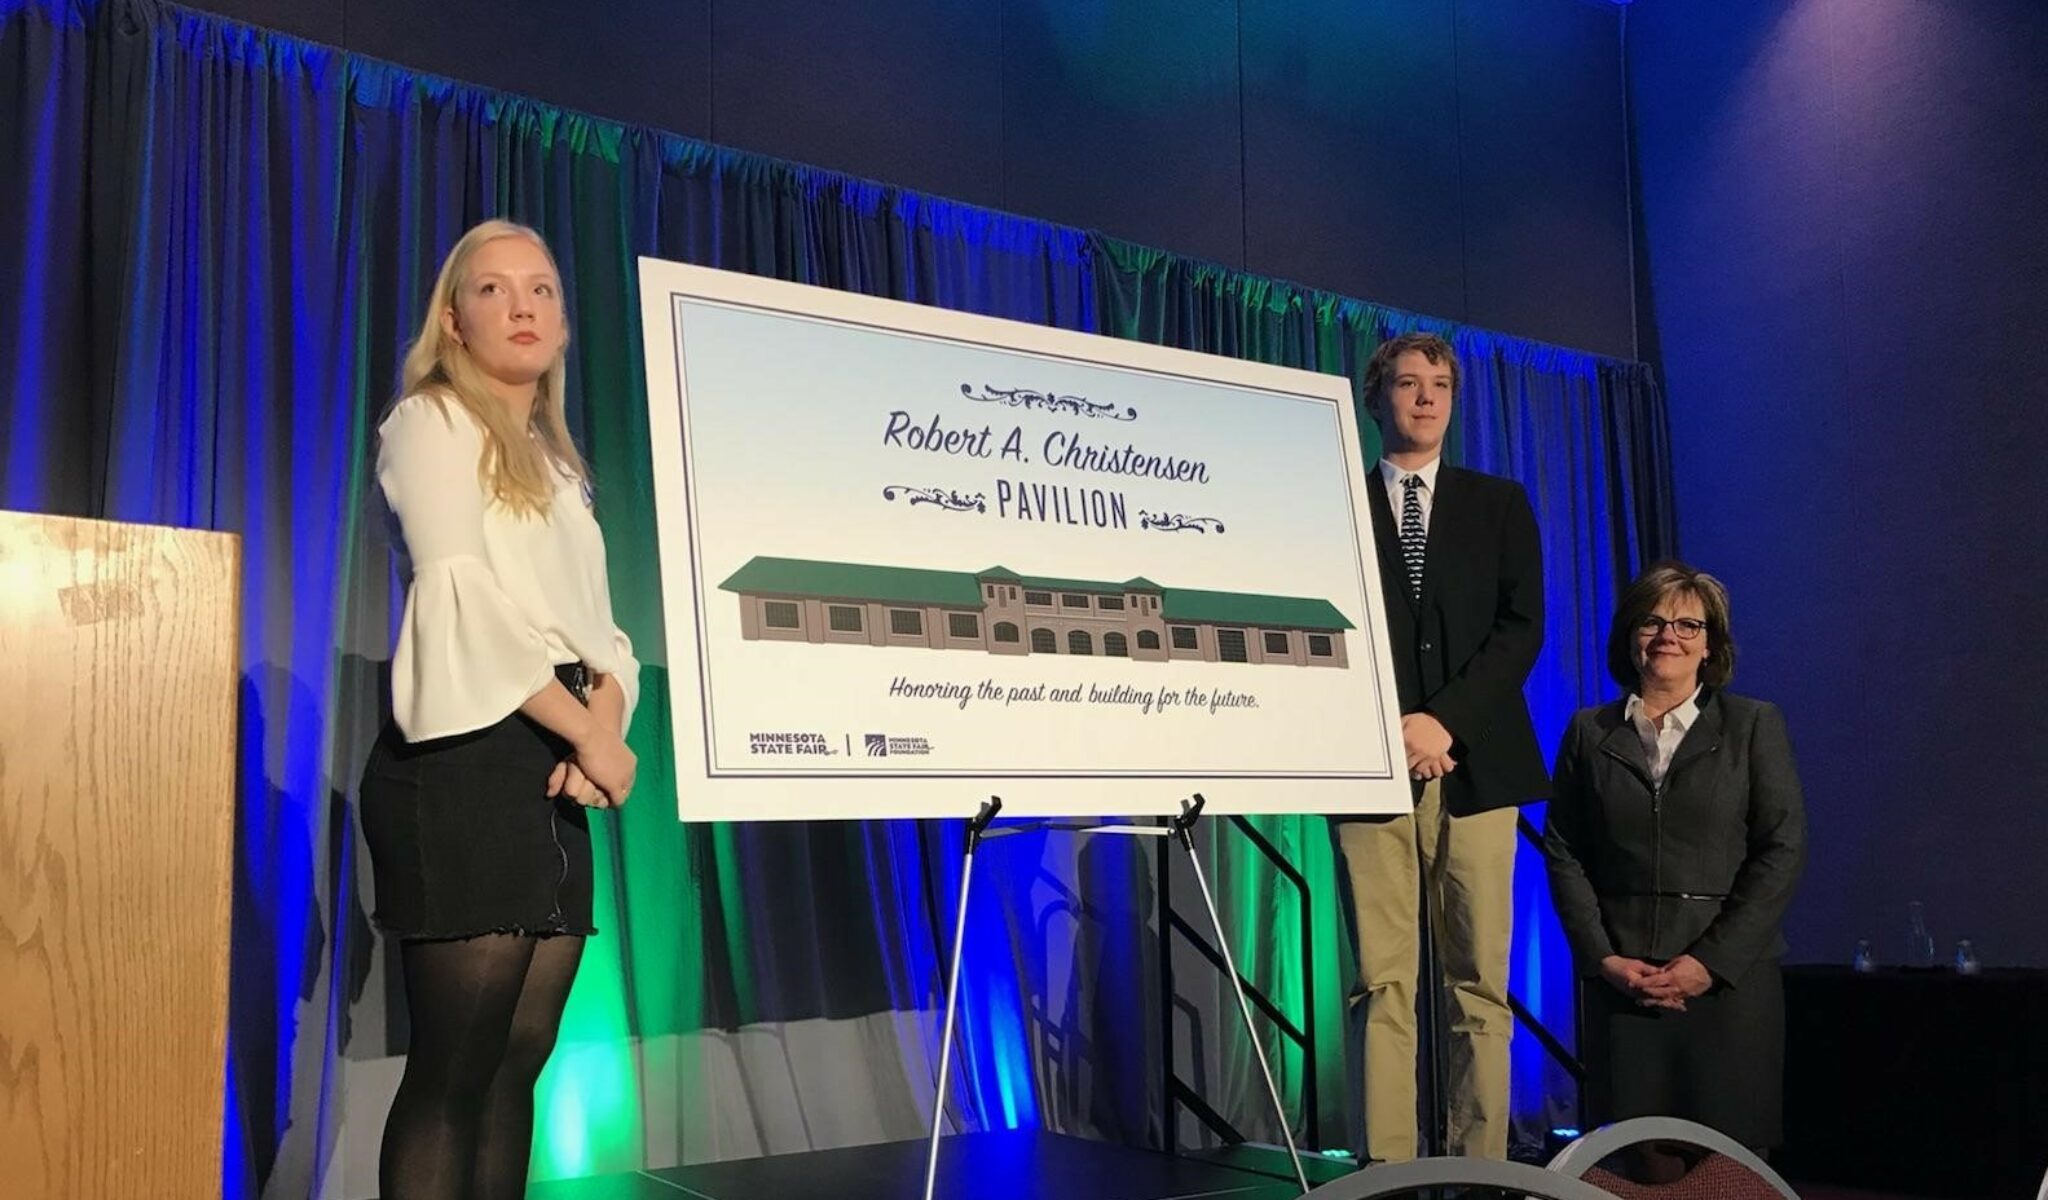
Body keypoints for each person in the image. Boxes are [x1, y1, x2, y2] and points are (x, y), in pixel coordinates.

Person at [357, 219, 641, 1200]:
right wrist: (588, 738)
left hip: (553, 764)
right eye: (492, 289)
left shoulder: (558, 467)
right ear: (453, 317)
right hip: (461, 761)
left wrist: (603, 729)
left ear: (563, 327)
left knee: (518, 1064)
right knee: (454, 1068)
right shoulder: (430, 422)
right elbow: (462, 598)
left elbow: (597, 636)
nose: (521, 306)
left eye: (542, 290)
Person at [1335, 332, 1550, 1162]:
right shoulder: (1337, 503)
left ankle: (1480, 1171)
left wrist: (1443, 721)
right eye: (1408, 382)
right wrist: (1396, 730)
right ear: (1375, 397)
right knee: (1380, 985)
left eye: (1442, 385)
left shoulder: (1499, 502)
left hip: (1478, 767)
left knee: (1478, 985)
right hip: (1368, 766)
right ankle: (1383, 1171)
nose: (1427, 398)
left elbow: (1521, 628)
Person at [1541, 562, 1805, 1157]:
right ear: (1629, 636)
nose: (1669, 636)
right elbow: (1565, 851)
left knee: (1730, 1166)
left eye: (1689, 624)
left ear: (1712, 645)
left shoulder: (1753, 725)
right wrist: (1603, 958)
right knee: (1634, 1163)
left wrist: (1710, 962)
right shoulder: (1588, 731)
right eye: (1653, 621)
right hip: (1623, 984)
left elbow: (1781, 848)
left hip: (1728, 985)